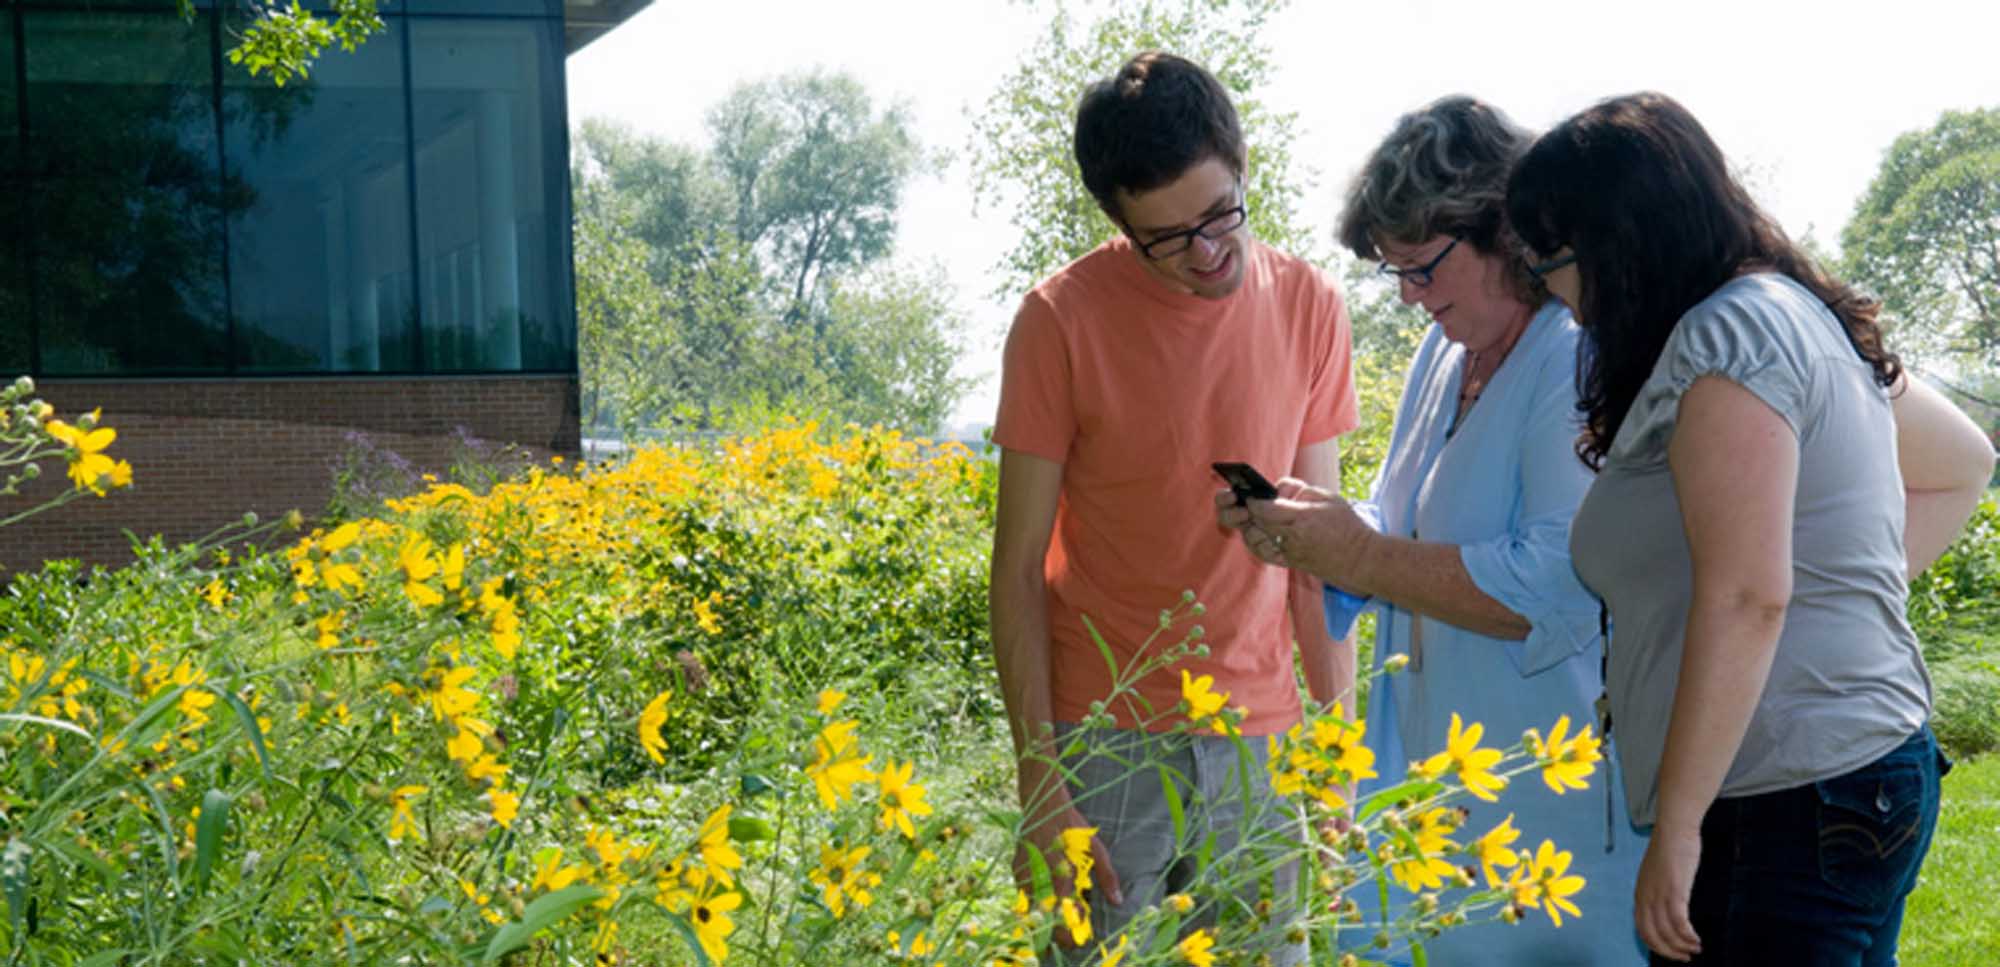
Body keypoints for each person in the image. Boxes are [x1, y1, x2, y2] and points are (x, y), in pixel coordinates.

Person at [1504, 91, 1998, 965]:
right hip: (1840, 781)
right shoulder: (1794, 315)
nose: (1559, 300)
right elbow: (1962, 460)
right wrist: (1834, 602)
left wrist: (1681, 826)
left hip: (1783, 799)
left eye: (1553, 264)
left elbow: (1746, 595)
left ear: (1622, 242)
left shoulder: (1730, 337)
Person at [1217, 95, 1647, 965]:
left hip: (1551, 800)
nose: (1411, 297)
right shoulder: (1444, 354)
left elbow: (1559, 579)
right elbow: (1408, 529)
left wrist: (1364, 552)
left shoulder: (1574, 353)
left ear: (1504, 234)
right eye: (1395, 274)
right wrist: (1318, 529)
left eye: (1424, 268)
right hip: (1440, 790)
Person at [989, 51, 1359, 964]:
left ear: (1241, 164)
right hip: (1102, 735)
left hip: (1262, 736)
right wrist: (1042, 778)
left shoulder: (1310, 304)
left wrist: (1335, 755)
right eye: (1166, 237)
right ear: (1117, 221)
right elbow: (1016, 567)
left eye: (1219, 213)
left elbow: (1324, 553)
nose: (1206, 252)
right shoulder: (1058, 321)